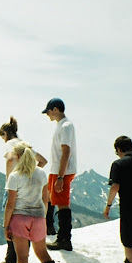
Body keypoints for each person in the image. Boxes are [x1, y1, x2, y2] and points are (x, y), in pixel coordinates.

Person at [3, 143, 75, 263]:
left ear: (18, 157)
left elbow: (10, 204)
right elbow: (45, 199)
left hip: (19, 219)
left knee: (22, 257)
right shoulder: (41, 173)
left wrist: (6, 225)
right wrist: (42, 217)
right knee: (42, 254)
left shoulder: (14, 176)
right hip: (38, 218)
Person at [0, 116, 47, 263]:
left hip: (16, 186)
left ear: (5, 134)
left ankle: (11, 259)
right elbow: (43, 161)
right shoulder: (24, 144)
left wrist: (10, 179)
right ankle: (21, 257)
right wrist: (33, 173)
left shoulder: (10, 144)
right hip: (31, 190)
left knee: (12, 222)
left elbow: (10, 159)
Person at [42, 97, 78, 251]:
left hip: (61, 171)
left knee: (62, 204)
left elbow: (66, 151)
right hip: (56, 170)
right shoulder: (61, 125)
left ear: (55, 109)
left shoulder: (66, 126)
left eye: (48, 111)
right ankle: (55, 231)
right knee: (53, 198)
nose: (47, 114)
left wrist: (61, 177)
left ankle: (64, 239)